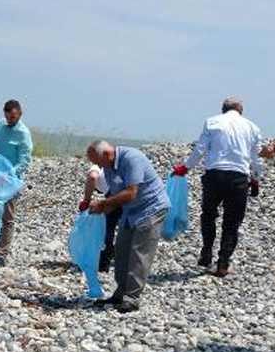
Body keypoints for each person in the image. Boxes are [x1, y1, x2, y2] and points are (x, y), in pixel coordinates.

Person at [172, 97, 263, 277]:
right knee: (232, 223)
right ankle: (223, 263)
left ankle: (206, 250)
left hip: (215, 176)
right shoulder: (252, 127)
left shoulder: (212, 122)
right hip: (239, 178)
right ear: (240, 110)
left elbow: (200, 149)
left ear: (223, 109)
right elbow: (257, 157)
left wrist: (185, 168)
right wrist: (256, 179)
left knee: (208, 214)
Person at [87, 140, 170, 313]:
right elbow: (116, 195)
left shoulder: (132, 158)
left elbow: (131, 193)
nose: (96, 165)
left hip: (151, 208)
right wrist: (99, 211)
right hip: (130, 212)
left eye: (97, 161)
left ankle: (132, 298)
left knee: (139, 253)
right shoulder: (108, 168)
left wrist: (103, 205)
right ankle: (120, 293)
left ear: (108, 155)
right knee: (122, 251)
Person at [0, 100, 33, 266]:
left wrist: (9, 174)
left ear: (19, 114)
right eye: (8, 116)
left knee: (7, 218)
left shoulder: (23, 133)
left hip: (11, 181)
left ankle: (3, 254)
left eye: (13, 117)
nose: (10, 120)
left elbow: (25, 160)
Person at [78, 163, 122, 272]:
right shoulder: (114, 165)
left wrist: (86, 201)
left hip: (116, 196)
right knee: (126, 228)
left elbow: (92, 177)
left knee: (107, 228)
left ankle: (103, 262)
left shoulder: (96, 167)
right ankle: (122, 257)